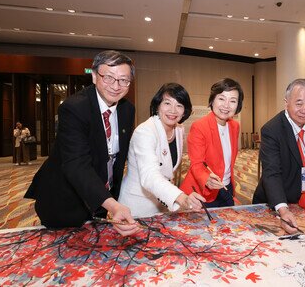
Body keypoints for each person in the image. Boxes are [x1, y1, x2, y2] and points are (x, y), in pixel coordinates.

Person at [24, 50, 140, 236]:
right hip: (65, 200)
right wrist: (112, 204)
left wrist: (110, 200)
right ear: (94, 76)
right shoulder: (74, 108)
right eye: (109, 77)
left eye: (124, 80)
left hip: (101, 200)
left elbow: (116, 162)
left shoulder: (127, 110)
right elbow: (77, 165)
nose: (116, 86)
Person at [119, 83, 205, 217]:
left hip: (162, 204)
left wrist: (181, 197)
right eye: (167, 103)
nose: (173, 110)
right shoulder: (145, 131)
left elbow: (167, 171)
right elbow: (150, 176)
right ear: (157, 106)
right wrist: (181, 197)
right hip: (137, 206)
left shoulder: (179, 130)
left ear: (184, 111)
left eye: (179, 105)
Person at [252, 79, 305, 234]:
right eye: (299, 103)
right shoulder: (272, 130)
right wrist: (283, 210)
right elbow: (271, 173)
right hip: (277, 202)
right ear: (286, 103)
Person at [180, 78, 244, 208]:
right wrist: (206, 179)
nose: (226, 105)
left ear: (238, 105)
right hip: (202, 191)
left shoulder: (234, 126)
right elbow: (197, 164)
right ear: (212, 100)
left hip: (226, 187)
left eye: (232, 101)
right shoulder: (199, 127)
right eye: (221, 98)